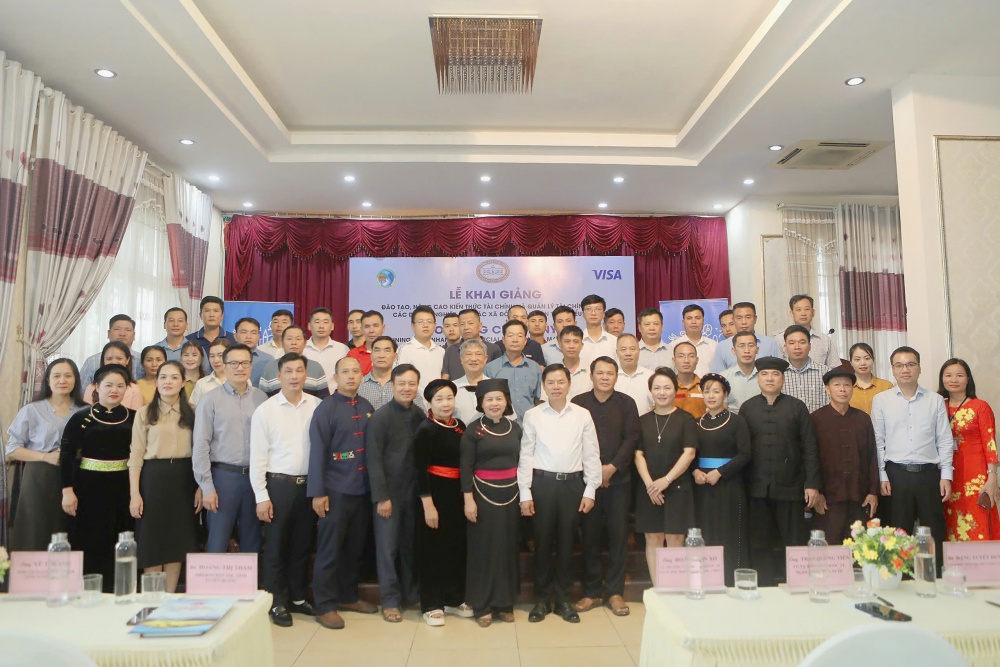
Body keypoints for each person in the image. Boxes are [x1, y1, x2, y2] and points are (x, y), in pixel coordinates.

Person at [518, 364, 601, 624]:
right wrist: (525, 492)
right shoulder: (533, 415)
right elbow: (526, 454)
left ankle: (564, 599)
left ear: (569, 384)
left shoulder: (582, 415)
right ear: (544, 386)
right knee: (542, 543)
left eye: (560, 382)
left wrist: (590, 489)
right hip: (541, 484)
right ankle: (542, 600)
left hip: (572, 486)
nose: (556, 387)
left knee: (567, 544)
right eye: (550, 382)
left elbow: (591, 453)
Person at [308, 356, 380, 630]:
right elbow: (317, 453)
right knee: (330, 550)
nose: (351, 376)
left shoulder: (366, 406)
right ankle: (325, 605)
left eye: (355, 371)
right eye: (345, 372)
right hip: (334, 490)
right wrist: (318, 493)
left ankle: (348, 596)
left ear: (362, 376)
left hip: (362, 489)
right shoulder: (326, 409)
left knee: (354, 547)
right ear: (335, 377)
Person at [251, 353, 322, 626]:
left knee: (302, 545)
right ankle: (276, 601)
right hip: (278, 486)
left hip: (308, 486)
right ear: (278, 376)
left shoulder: (317, 406)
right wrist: (261, 496)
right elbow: (258, 457)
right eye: (288, 371)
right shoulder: (266, 410)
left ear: (306, 374)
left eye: (299, 370)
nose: (294, 376)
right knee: (275, 547)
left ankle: (298, 597)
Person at [739, 356, 821, 586]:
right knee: (759, 542)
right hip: (756, 489)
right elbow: (742, 450)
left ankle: (797, 585)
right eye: (765, 374)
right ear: (758, 379)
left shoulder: (797, 407)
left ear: (783, 379)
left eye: (775, 374)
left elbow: (810, 448)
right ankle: (764, 587)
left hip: (791, 487)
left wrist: (812, 484)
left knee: (794, 542)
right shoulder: (747, 408)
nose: (770, 378)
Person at [572, 357, 639, 617]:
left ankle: (614, 592)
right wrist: (594, 473)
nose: (604, 377)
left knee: (618, 537)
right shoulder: (578, 403)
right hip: (586, 484)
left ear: (616, 376)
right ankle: (591, 592)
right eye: (599, 373)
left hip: (618, 481)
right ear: (591, 376)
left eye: (609, 373)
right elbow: (573, 440)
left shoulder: (626, 403)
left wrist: (611, 468)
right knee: (589, 537)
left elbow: (631, 438)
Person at [872, 347, 954, 562]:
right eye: (899, 365)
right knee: (897, 534)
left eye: (910, 364)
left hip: (929, 475)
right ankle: (900, 578)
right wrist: (882, 475)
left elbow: (945, 439)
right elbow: (878, 441)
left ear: (919, 368)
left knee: (934, 531)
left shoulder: (935, 400)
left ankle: (934, 575)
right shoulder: (881, 400)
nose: (905, 369)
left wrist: (946, 475)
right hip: (896, 475)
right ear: (892, 369)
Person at [60, 364, 137, 591]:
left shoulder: (135, 417)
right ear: (96, 387)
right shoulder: (80, 417)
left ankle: (119, 590)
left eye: (120, 386)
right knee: (89, 538)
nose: (114, 390)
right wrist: (67, 490)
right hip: (88, 487)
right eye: (109, 385)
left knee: (120, 537)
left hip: (122, 487)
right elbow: (66, 455)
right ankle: (86, 589)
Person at [128, 361, 201, 593]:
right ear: (156, 382)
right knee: (152, 540)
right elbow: (135, 455)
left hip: (184, 479)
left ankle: (169, 596)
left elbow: (202, 452)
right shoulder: (144, 413)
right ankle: (153, 597)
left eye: (174, 377)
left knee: (177, 540)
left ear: (183, 382)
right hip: (153, 480)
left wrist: (201, 487)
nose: (168, 382)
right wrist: (134, 494)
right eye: (163, 377)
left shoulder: (194, 412)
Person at [193, 343, 268, 554]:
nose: (239, 368)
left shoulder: (261, 398)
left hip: (254, 478)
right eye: (233, 363)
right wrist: (207, 487)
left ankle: (251, 577)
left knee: (252, 540)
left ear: (251, 366)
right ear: (224, 366)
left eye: (245, 363)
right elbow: (200, 445)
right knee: (218, 540)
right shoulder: (210, 399)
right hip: (223, 478)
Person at [6, 359, 86, 551]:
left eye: (68, 375)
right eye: (56, 376)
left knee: (71, 528)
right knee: (36, 528)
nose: (62, 380)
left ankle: (69, 571)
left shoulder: (86, 410)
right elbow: (12, 449)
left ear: (76, 379)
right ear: (48, 380)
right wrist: (45, 457)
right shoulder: (32, 410)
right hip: (39, 476)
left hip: (76, 475)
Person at [366, 364, 425, 623]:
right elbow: (373, 460)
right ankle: (389, 600)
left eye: (412, 384)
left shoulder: (419, 414)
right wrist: (382, 497)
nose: (407, 388)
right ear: (392, 386)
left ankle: (412, 595)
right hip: (388, 496)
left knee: (410, 546)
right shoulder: (380, 417)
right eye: (401, 383)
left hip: (413, 494)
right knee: (387, 549)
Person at [461, 379, 521, 627]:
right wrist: (468, 500)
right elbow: (466, 467)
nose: (494, 403)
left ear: (506, 401)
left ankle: (504, 603)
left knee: (507, 548)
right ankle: (482, 604)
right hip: (481, 496)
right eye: (489, 399)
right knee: (483, 550)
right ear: (481, 403)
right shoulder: (473, 430)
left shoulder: (515, 428)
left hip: (511, 496)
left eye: (499, 398)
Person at [414, 380, 472, 626]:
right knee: (433, 550)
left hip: (457, 494)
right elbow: (419, 471)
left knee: (456, 546)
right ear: (429, 403)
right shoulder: (425, 429)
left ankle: (454, 598)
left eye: (449, 398)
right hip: (434, 494)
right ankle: (431, 603)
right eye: (439, 399)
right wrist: (428, 505)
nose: (445, 403)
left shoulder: (460, 426)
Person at [634, 367, 698, 582]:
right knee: (653, 536)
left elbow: (689, 453)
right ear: (651, 391)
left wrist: (666, 480)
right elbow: (638, 455)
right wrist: (650, 485)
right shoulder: (642, 421)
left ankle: (674, 587)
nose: (662, 392)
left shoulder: (686, 419)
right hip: (649, 488)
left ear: (675, 390)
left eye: (667, 388)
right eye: (657, 388)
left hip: (677, 487)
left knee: (675, 537)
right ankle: (658, 588)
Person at [692, 373, 751, 587]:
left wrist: (720, 472)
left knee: (730, 532)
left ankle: (732, 582)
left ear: (725, 394)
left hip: (729, 484)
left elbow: (745, 454)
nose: (711, 396)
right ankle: (707, 582)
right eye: (707, 391)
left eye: (716, 391)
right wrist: (695, 471)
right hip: (702, 486)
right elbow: (690, 454)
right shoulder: (696, 423)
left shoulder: (737, 421)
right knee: (706, 531)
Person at [810, 368, 879, 545]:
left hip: (859, 497)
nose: (842, 389)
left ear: (852, 389)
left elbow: (872, 457)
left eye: (847, 385)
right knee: (830, 548)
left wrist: (873, 492)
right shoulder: (815, 419)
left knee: (859, 549)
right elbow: (810, 458)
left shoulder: (863, 418)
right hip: (828, 499)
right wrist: (817, 492)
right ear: (827, 389)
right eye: (837, 385)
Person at [938, 359, 998, 541]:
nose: (953, 380)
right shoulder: (938, 405)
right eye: (948, 375)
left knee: (977, 520)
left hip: (975, 475)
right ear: (942, 379)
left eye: (959, 375)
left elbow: (990, 443)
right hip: (946, 474)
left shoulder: (980, 406)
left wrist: (992, 477)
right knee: (948, 522)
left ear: (968, 379)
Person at [484, 320, 542, 423]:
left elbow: (539, 399)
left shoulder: (535, 368)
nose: (515, 340)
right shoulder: (490, 368)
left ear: (525, 341)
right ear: (503, 340)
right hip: (500, 426)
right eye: (510, 335)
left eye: (519, 336)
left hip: (529, 425)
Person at [258, 325, 330, 399]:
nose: (293, 343)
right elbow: (263, 399)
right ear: (282, 342)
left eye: (298, 339)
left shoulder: (316, 368)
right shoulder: (269, 367)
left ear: (305, 343)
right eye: (289, 339)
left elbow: (324, 400)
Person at [710, 302, 783, 373]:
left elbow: (780, 372)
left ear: (755, 319)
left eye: (748, 317)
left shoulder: (770, 343)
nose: (743, 322)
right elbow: (717, 376)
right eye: (739, 318)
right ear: (733, 320)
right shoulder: (723, 346)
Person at [775, 295, 840, 368]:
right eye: (798, 310)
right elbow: (775, 367)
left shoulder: (825, 340)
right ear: (792, 314)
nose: (803, 313)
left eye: (807, 309)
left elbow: (834, 367)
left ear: (813, 312)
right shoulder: (780, 339)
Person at [397, 305, 445, 401]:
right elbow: (398, 379)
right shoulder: (405, 350)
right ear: (413, 326)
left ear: (435, 325)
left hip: (437, 404)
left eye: (429, 322)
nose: (425, 325)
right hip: (413, 404)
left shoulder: (441, 351)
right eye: (420, 322)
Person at [79, 314, 143, 386]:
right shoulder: (92, 361)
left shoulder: (142, 360)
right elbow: (82, 390)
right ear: (108, 333)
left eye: (127, 330)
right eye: (117, 329)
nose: (122, 334)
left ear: (134, 335)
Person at [781, 324, 831, 413]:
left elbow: (831, 405)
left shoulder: (825, 372)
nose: (797, 347)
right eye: (792, 343)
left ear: (810, 346)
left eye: (802, 342)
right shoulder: (778, 374)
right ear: (785, 347)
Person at [441, 308, 501, 380]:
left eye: (470, 323)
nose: (466, 327)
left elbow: (498, 376)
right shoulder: (451, 350)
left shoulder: (493, 349)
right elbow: (445, 377)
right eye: (462, 324)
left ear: (480, 326)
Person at [82, 341, 144, 410]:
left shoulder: (134, 389)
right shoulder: (92, 388)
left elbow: (136, 415)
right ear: (103, 360)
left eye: (119, 358)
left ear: (127, 360)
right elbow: (86, 414)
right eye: (109, 359)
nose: (114, 362)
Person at [666, 304, 718, 376]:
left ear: (703, 321)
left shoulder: (714, 346)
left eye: (697, 318)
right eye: (689, 318)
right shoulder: (673, 346)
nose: (693, 322)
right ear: (683, 322)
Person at [303, 307, 350, 386]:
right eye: (317, 322)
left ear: (332, 326)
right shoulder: (301, 348)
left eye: (325, 322)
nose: (321, 326)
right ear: (309, 326)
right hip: (307, 393)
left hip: (334, 393)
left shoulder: (342, 349)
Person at [719, 331, 762, 413]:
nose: (747, 350)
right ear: (734, 350)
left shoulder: (765, 377)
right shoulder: (724, 378)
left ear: (757, 350)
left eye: (751, 346)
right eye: (742, 346)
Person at [848, 343, 894, 414]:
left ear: (873, 360)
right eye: (857, 359)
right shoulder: (846, 388)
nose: (863, 363)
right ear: (851, 362)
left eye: (867, 358)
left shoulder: (886, 386)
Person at [615, 334, 653, 415]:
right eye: (623, 349)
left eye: (632, 349)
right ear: (617, 352)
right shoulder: (611, 377)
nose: (628, 353)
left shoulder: (650, 376)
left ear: (639, 351)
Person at [358, 336, 398, 410]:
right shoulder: (359, 385)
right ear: (371, 356)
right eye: (377, 350)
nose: (381, 356)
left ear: (395, 356)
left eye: (387, 351)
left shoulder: (403, 384)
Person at [579, 294, 617, 370]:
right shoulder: (577, 341)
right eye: (589, 309)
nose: (593, 313)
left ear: (603, 314)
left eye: (598, 309)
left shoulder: (615, 341)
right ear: (583, 314)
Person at [189, 338, 231, 406]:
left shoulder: (241, 381)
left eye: (220, 355)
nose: (215, 360)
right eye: (212, 356)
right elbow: (193, 409)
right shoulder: (202, 384)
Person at [555, 325, 592, 400]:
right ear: (560, 344)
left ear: (582, 345)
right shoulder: (552, 372)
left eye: (576, 342)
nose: (571, 346)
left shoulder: (591, 371)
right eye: (567, 341)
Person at [233, 317, 271, 386]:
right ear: (235, 336)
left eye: (253, 333)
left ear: (258, 336)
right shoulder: (226, 358)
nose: (248, 336)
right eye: (244, 332)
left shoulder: (268, 360)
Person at [672, 341, 706, 418]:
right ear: (673, 360)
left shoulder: (705, 386)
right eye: (681, 356)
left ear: (697, 360)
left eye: (691, 356)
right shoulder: (668, 387)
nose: (686, 361)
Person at [347, 310, 387, 375]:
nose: (371, 331)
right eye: (367, 326)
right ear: (362, 329)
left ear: (383, 328)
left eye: (375, 326)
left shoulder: (393, 353)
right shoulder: (353, 354)